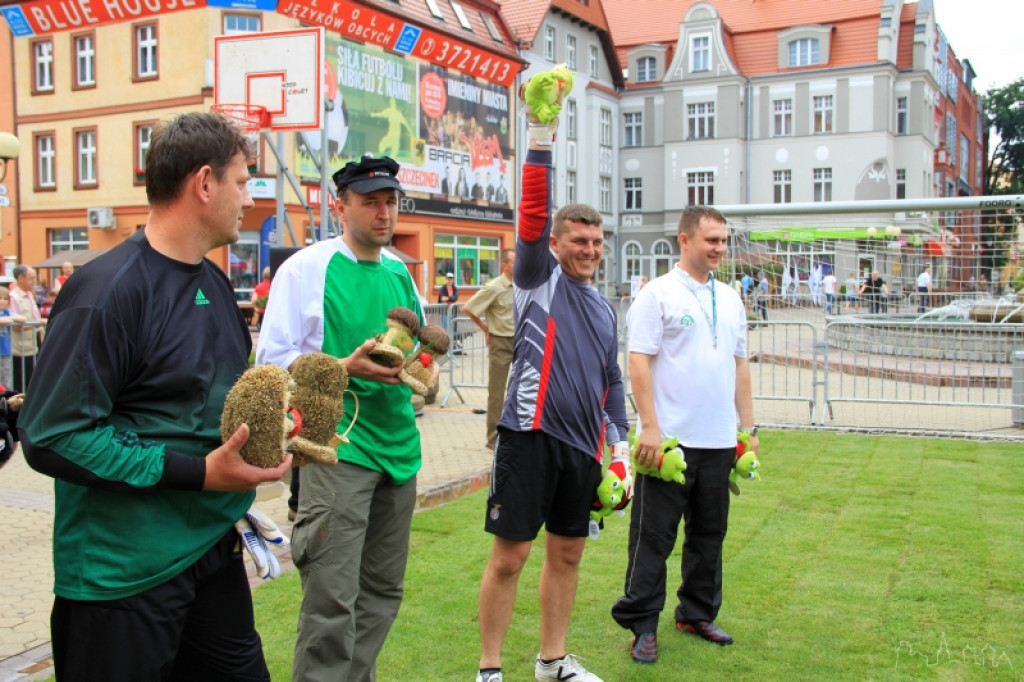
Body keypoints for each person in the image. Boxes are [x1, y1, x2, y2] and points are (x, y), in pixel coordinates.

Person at [17, 111, 291, 680]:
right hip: (122, 575)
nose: (248, 195)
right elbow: (51, 436)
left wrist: (272, 432)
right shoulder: (106, 291)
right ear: (205, 183)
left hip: (210, 548)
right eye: (242, 181)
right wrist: (198, 473)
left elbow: (212, 402)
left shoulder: (214, 282)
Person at [476, 82, 630, 682]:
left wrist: (619, 446)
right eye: (580, 241)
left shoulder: (602, 308)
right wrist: (541, 139)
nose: (590, 250)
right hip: (528, 436)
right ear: (557, 245)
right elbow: (532, 216)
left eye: (597, 242)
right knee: (510, 558)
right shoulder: (538, 279)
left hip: (581, 449)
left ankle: (552, 662)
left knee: (567, 553)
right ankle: (490, 669)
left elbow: (611, 380)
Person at [255, 154, 428, 682]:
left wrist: (425, 372)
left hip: (400, 450)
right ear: (340, 206)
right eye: (369, 202)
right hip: (336, 449)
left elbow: (419, 352)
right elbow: (270, 363)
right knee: (331, 600)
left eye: (391, 202)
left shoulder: (400, 270)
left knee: (381, 593)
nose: (383, 213)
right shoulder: (307, 269)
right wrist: (341, 368)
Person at [611, 205, 758, 662]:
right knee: (653, 538)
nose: (718, 248)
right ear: (685, 240)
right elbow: (637, 361)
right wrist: (650, 427)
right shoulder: (657, 295)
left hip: (717, 441)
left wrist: (748, 430)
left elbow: (739, 365)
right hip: (669, 442)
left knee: (709, 535)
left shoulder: (732, 298)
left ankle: (696, 612)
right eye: (710, 239)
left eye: (723, 240)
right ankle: (642, 624)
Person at [463, 248, 516, 450]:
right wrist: (486, 330)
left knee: (522, 390)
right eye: (514, 262)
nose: (518, 266)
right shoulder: (494, 287)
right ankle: (493, 437)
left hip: (520, 342)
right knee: (496, 392)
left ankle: (517, 432)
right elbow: (468, 308)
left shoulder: (520, 286)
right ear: (505, 265)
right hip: (500, 343)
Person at [9, 265, 44, 393]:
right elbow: (16, 325)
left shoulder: (30, 294)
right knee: (23, 379)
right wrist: (38, 324)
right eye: (31, 278)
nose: (34, 281)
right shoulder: (14, 297)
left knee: (35, 377)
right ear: (20, 278)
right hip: (22, 347)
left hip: (34, 341)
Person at [0, 287, 26, 390]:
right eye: (0, 298)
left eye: (5, 298)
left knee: (6, 378)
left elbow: (23, 318)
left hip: (6, 352)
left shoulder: (8, 313)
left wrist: (10, 318)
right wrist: (7, 320)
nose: (2, 301)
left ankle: (5, 400)